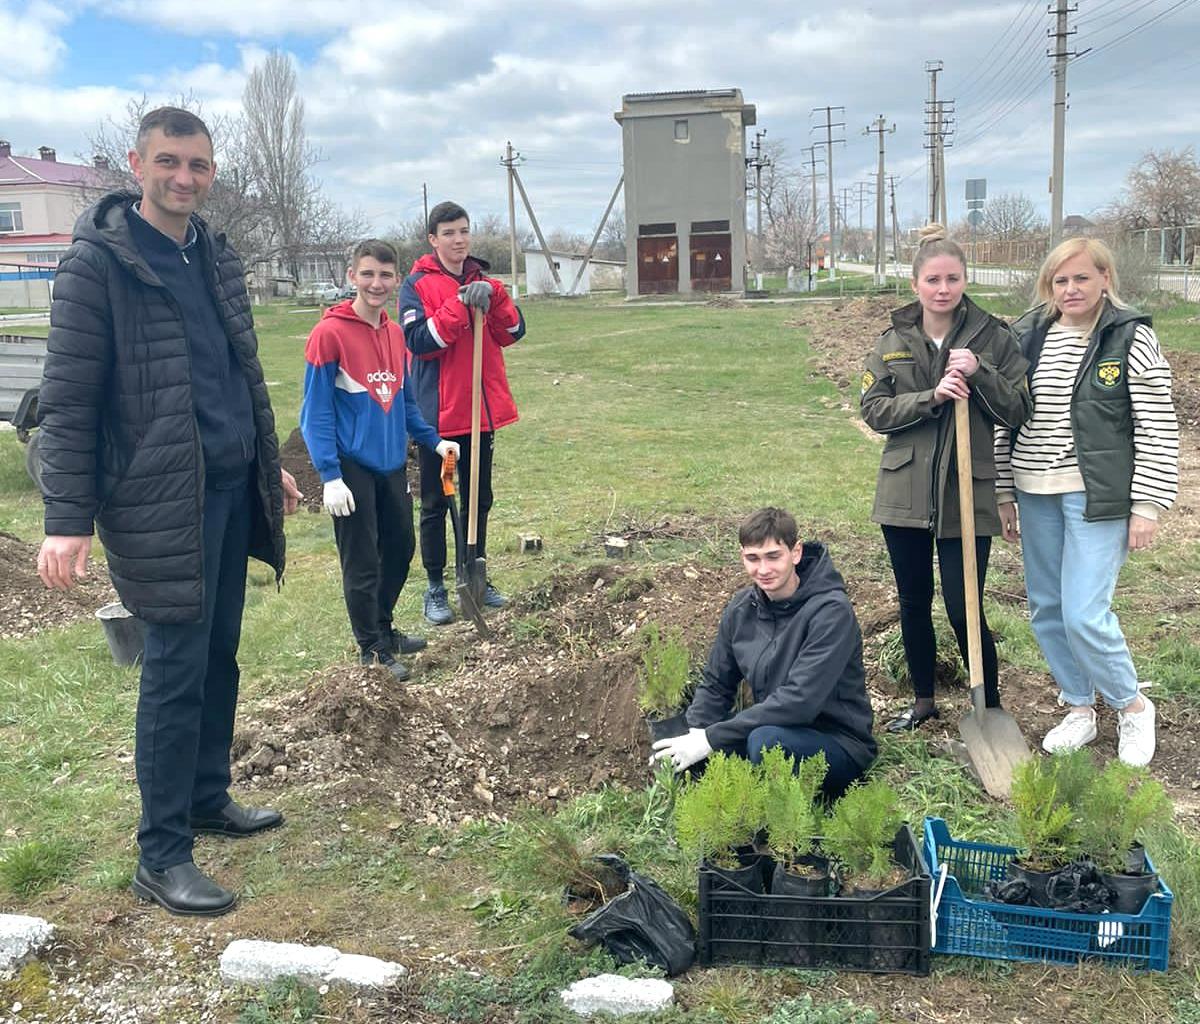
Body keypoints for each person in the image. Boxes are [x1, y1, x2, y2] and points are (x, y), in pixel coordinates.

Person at [35, 107, 302, 917]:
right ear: (136, 162)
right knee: (175, 670)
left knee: (219, 656)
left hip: (227, 485)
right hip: (156, 501)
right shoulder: (98, 265)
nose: (184, 178)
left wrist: (269, 465)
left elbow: (240, 370)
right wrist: (66, 516)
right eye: (169, 162)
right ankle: (161, 854)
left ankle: (205, 798)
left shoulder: (215, 255)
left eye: (198, 165)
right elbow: (70, 399)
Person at [995, 238, 1178, 767]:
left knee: (1085, 613)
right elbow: (1007, 420)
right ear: (1048, 287)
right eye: (1060, 281)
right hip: (1034, 492)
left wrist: (1147, 505)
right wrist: (1005, 491)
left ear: (1104, 279)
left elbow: (1157, 427)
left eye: (1081, 278)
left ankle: (1132, 705)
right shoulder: (1027, 337)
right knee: (1048, 610)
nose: (1070, 290)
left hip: (1096, 496)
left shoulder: (1131, 339)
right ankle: (1079, 706)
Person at [861, 224, 1032, 733]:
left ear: (964, 280)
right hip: (905, 491)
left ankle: (990, 705)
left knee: (964, 605)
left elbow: (1020, 409)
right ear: (915, 283)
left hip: (967, 491)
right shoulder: (891, 341)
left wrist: (980, 372)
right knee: (913, 601)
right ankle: (923, 700)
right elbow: (873, 409)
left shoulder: (993, 337)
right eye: (932, 279)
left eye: (952, 278)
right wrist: (931, 397)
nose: (943, 288)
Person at [301, 240, 459, 681]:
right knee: (362, 561)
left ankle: (384, 629)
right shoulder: (329, 334)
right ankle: (371, 649)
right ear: (352, 276)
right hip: (351, 467)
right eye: (367, 274)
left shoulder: (394, 334)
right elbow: (315, 413)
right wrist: (330, 475)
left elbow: (406, 402)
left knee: (401, 548)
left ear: (395, 280)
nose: (376, 284)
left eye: (385, 276)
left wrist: (434, 441)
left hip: (391, 464)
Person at [650, 508, 876, 798]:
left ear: (795, 552)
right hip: (774, 724)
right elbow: (717, 684)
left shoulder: (831, 613)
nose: (763, 570)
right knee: (678, 739)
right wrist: (695, 732)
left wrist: (711, 739)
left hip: (836, 741)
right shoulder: (742, 608)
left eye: (773, 556)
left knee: (765, 743)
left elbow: (799, 702)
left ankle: (790, 810)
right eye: (752, 558)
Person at [399, 201, 526, 625]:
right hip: (443, 424)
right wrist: (457, 306)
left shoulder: (484, 281)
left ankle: (475, 573)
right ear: (433, 239)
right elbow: (419, 341)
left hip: (480, 416)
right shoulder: (416, 285)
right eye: (449, 233)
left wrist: (497, 297)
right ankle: (436, 585)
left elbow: (513, 332)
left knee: (479, 500)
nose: (459, 240)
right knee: (439, 501)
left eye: (464, 231)